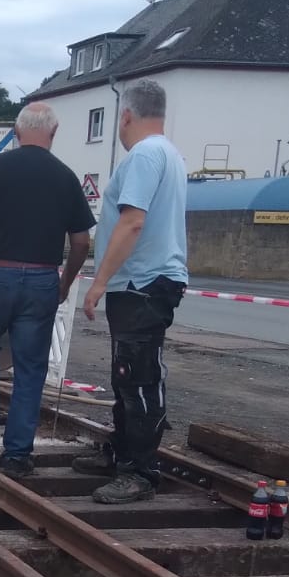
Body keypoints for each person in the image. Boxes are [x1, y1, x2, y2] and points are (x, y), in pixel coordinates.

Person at [0, 103, 94, 478]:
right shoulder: (65, 177)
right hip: (42, 280)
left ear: (16, 131)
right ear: (54, 132)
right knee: (30, 368)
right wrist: (65, 282)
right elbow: (81, 241)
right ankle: (17, 455)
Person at [74, 79, 188, 504]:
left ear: (124, 115)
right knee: (127, 373)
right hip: (147, 282)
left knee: (138, 376)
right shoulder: (169, 154)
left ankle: (139, 471)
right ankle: (122, 452)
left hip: (141, 283)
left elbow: (132, 221)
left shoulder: (144, 155)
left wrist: (99, 281)